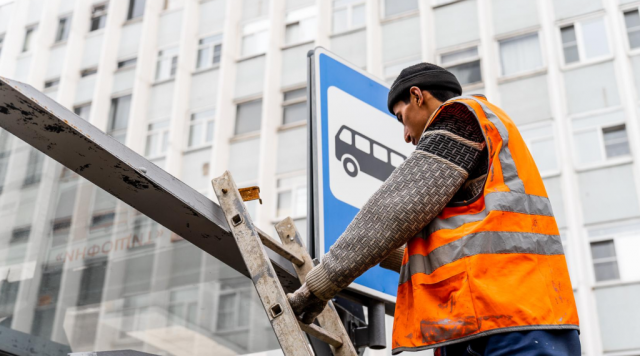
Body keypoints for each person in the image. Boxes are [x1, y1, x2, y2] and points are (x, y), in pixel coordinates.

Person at [287, 63, 580, 355]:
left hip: (513, 322)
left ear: (417, 96)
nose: (405, 135)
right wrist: (388, 254)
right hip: (505, 316)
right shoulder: (483, 134)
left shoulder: (460, 116)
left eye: (402, 118)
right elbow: (471, 245)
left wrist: (318, 287)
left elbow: (393, 210)